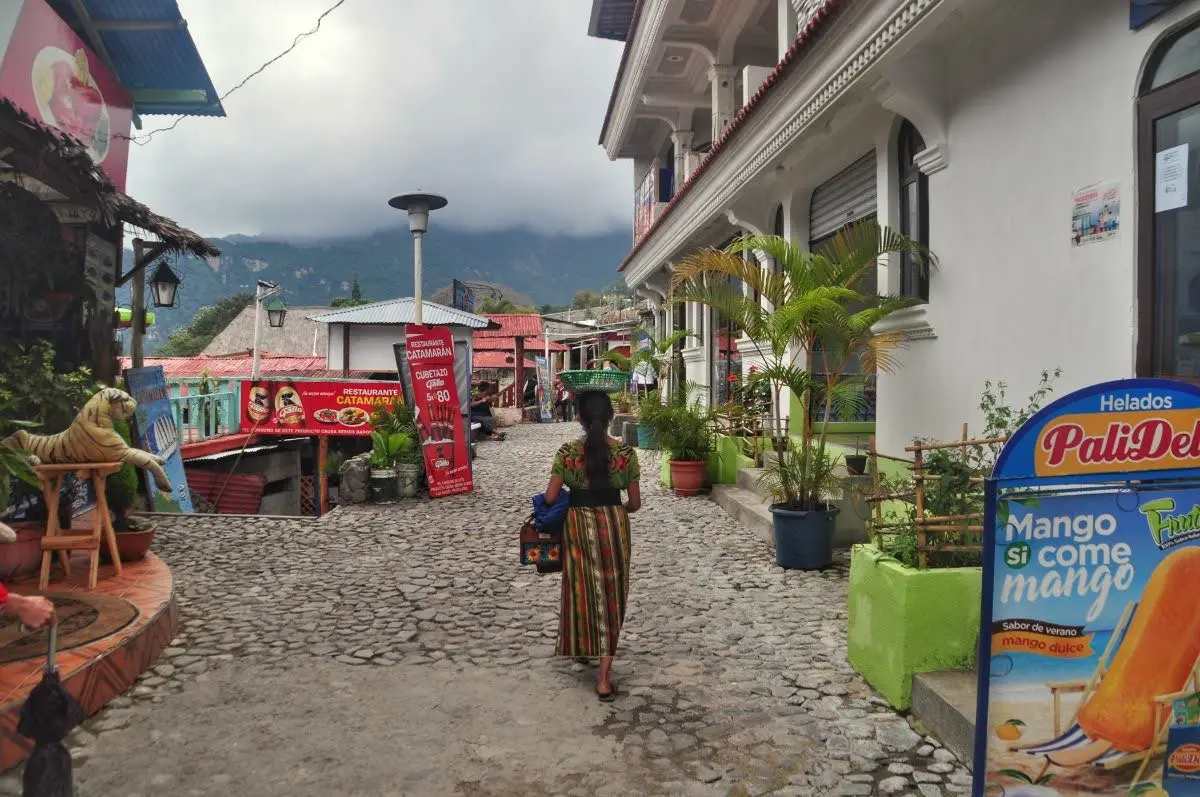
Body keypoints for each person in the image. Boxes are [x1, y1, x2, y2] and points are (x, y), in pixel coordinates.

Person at [542, 390, 640, 701]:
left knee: (581, 588)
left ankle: (582, 648)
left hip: (578, 527)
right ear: (611, 417)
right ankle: (603, 679)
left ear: (580, 418)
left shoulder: (567, 452)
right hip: (613, 525)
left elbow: (550, 498)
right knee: (613, 592)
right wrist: (615, 511)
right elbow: (634, 503)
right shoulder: (626, 454)